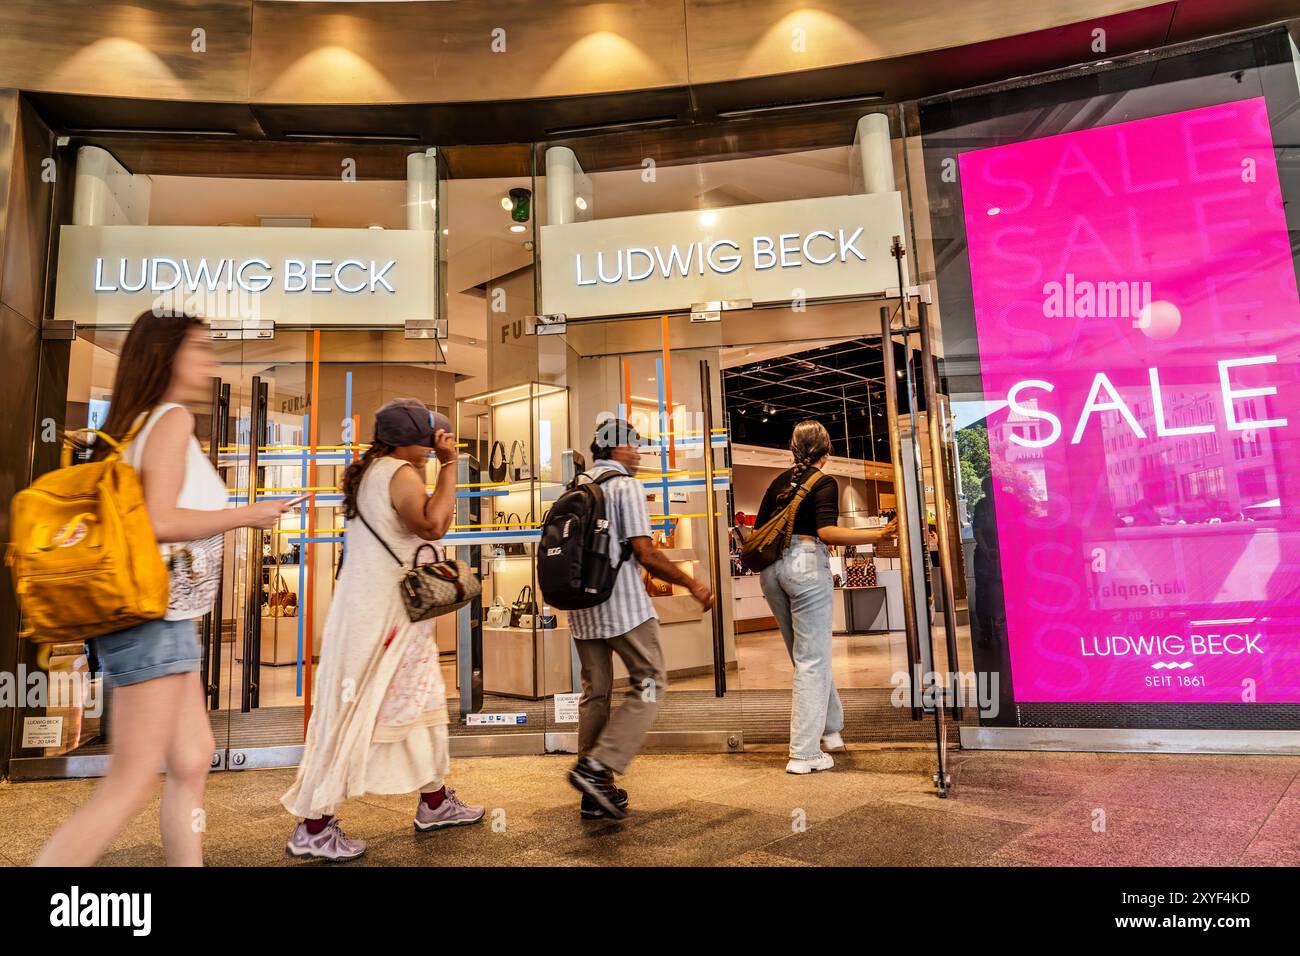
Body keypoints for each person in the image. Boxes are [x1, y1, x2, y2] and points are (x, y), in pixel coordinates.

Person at [35, 311, 295, 867]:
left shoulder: (138, 425)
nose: (209, 359)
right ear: (166, 355)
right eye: (198, 347)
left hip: (165, 620)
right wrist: (250, 514)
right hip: (154, 621)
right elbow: (159, 521)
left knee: (193, 756)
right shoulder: (171, 420)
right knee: (129, 781)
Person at [281, 398, 484, 861]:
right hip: (384, 619)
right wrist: (449, 465)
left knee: (418, 701)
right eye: (431, 437)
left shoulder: (375, 470)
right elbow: (433, 525)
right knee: (358, 711)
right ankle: (313, 826)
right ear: (415, 438)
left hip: (378, 615)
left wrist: (436, 465)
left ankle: (435, 801)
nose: (436, 442)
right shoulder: (399, 473)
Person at [567, 418, 715, 819]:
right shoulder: (625, 486)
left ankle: (594, 792)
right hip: (623, 607)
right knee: (650, 682)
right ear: (617, 448)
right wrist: (692, 584)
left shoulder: (577, 485)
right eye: (634, 446)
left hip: (582, 610)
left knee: (596, 693)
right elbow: (645, 553)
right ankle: (598, 767)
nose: (638, 453)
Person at [754, 420, 895, 774]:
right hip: (804, 565)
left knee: (805, 657)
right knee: (812, 660)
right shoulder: (824, 481)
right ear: (827, 450)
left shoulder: (777, 483)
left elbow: (757, 530)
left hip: (771, 571)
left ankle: (830, 731)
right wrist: (878, 534)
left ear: (793, 449)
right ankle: (803, 754)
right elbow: (826, 531)